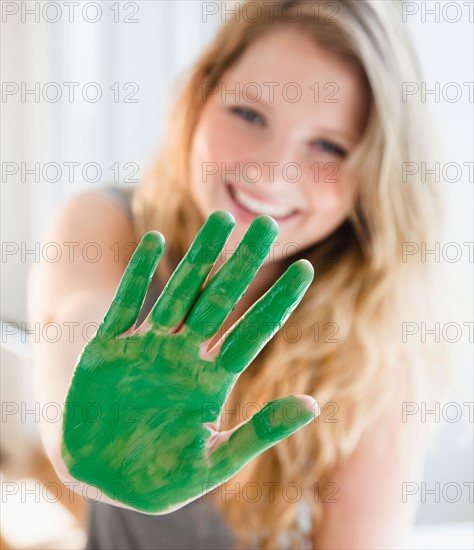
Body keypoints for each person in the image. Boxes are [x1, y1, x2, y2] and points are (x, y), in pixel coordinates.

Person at [28, 1, 449, 548]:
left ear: (374, 175)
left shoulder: (377, 348)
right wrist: (84, 439)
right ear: (198, 99)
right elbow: (75, 332)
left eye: (328, 145)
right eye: (249, 114)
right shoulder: (106, 225)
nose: (270, 170)